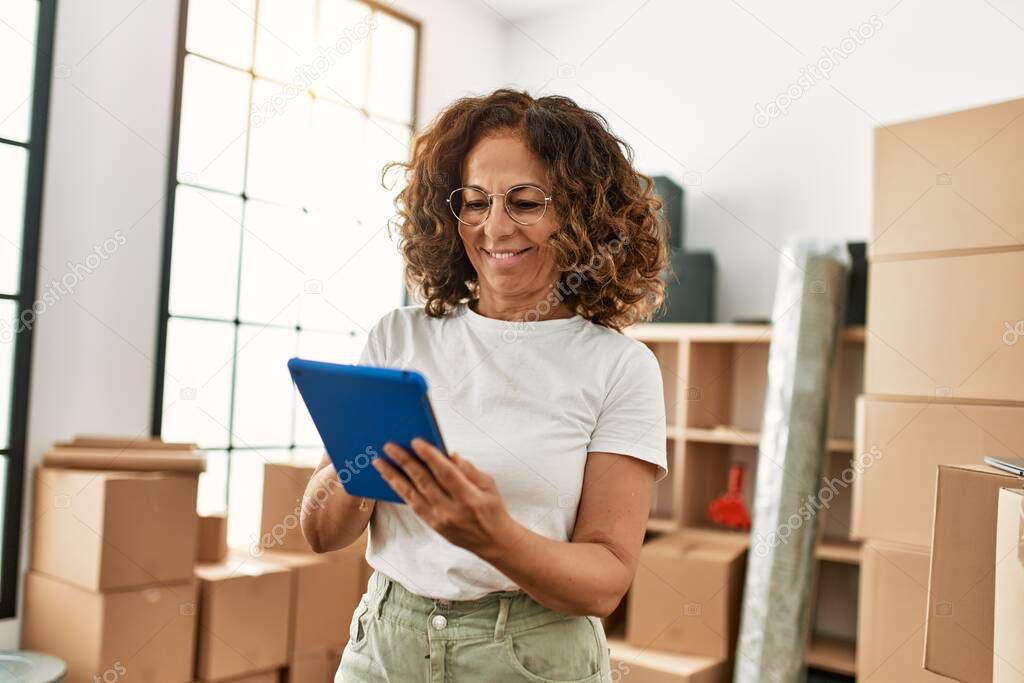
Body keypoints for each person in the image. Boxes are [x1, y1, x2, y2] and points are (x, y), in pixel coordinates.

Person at [301, 88, 669, 683]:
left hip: (530, 656)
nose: (494, 227)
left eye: (525, 203)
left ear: (579, 214)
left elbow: (605, 580)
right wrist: (361, 463)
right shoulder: (398, 338)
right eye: (474, 202)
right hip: (387, 645)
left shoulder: (619, 368)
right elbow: (320, 533)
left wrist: (493, 536)